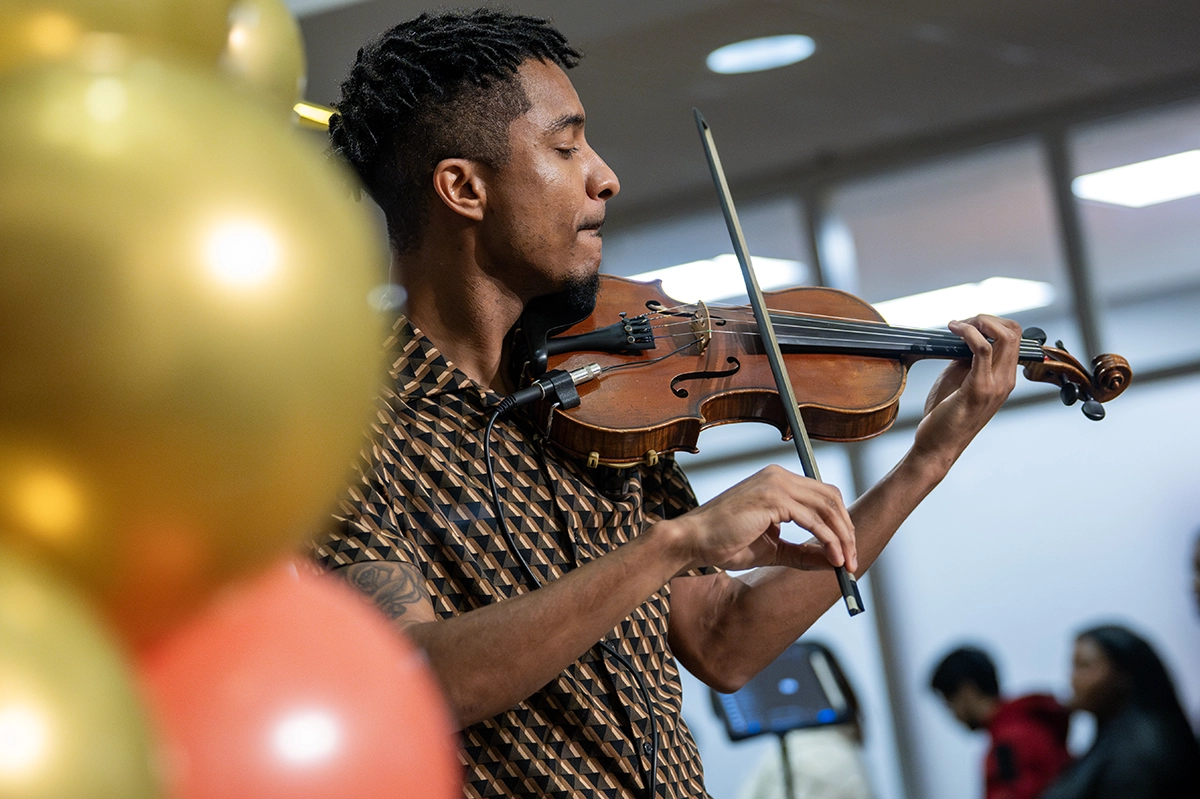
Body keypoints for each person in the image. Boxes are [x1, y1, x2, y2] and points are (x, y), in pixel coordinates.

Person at [310, 9, 1023, 798]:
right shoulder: (338, 423)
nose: (604, 175)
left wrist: (927, 459)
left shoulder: (609, 388)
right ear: (463, 188)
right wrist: (673, 542)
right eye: (565, 145)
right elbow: (412, 679)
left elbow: (721, 641)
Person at [1040, 624, 1200, 799]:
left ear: (1123, 676)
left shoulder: (1137, 755)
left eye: (1084, 666)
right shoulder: (1113, 738)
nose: (1072, 678)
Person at [929, 646, 1070, 799]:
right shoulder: (1023, 725)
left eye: (949, 703)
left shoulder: (1011, 740)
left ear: (967, 691)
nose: (953, 714)